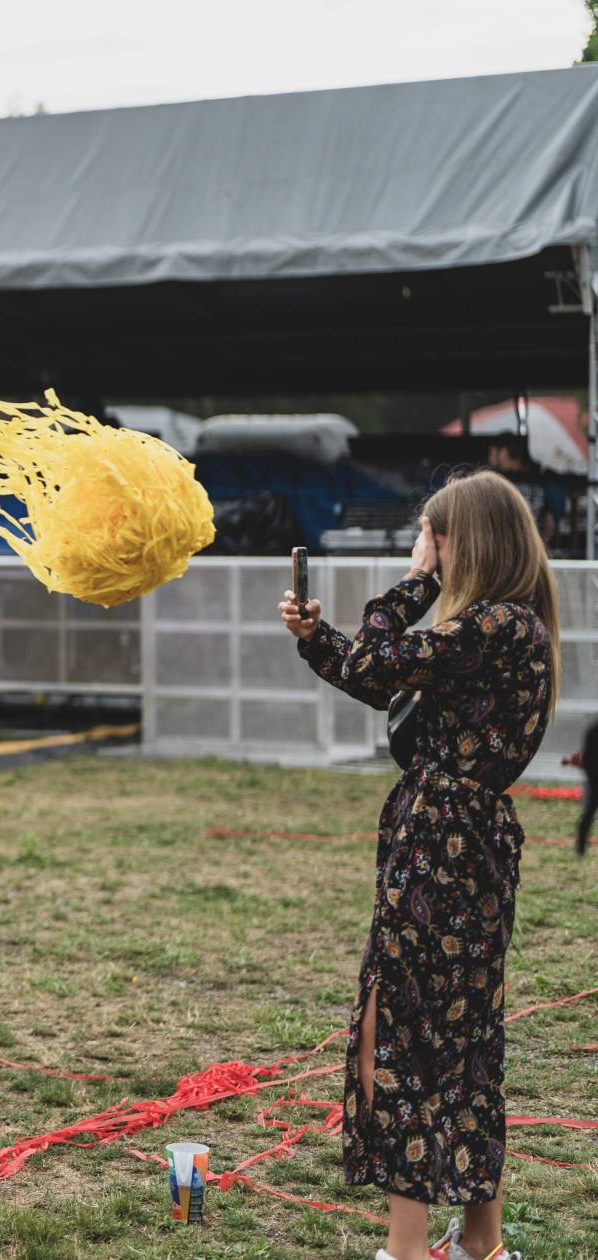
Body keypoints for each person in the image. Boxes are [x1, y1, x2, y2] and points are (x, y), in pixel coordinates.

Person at [281, 469, 557, 1260]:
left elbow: (380, 654)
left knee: (398, 1036)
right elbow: (376, 674)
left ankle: (404, 1251)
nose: (427, 548)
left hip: (444, 843)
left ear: (464, 540)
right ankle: (482, 1245)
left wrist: (411, 580)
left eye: (435, 534)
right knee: (463, 1040)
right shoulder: (510, 629)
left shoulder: (495, 626)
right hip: (460, 841)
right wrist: (314, 639)